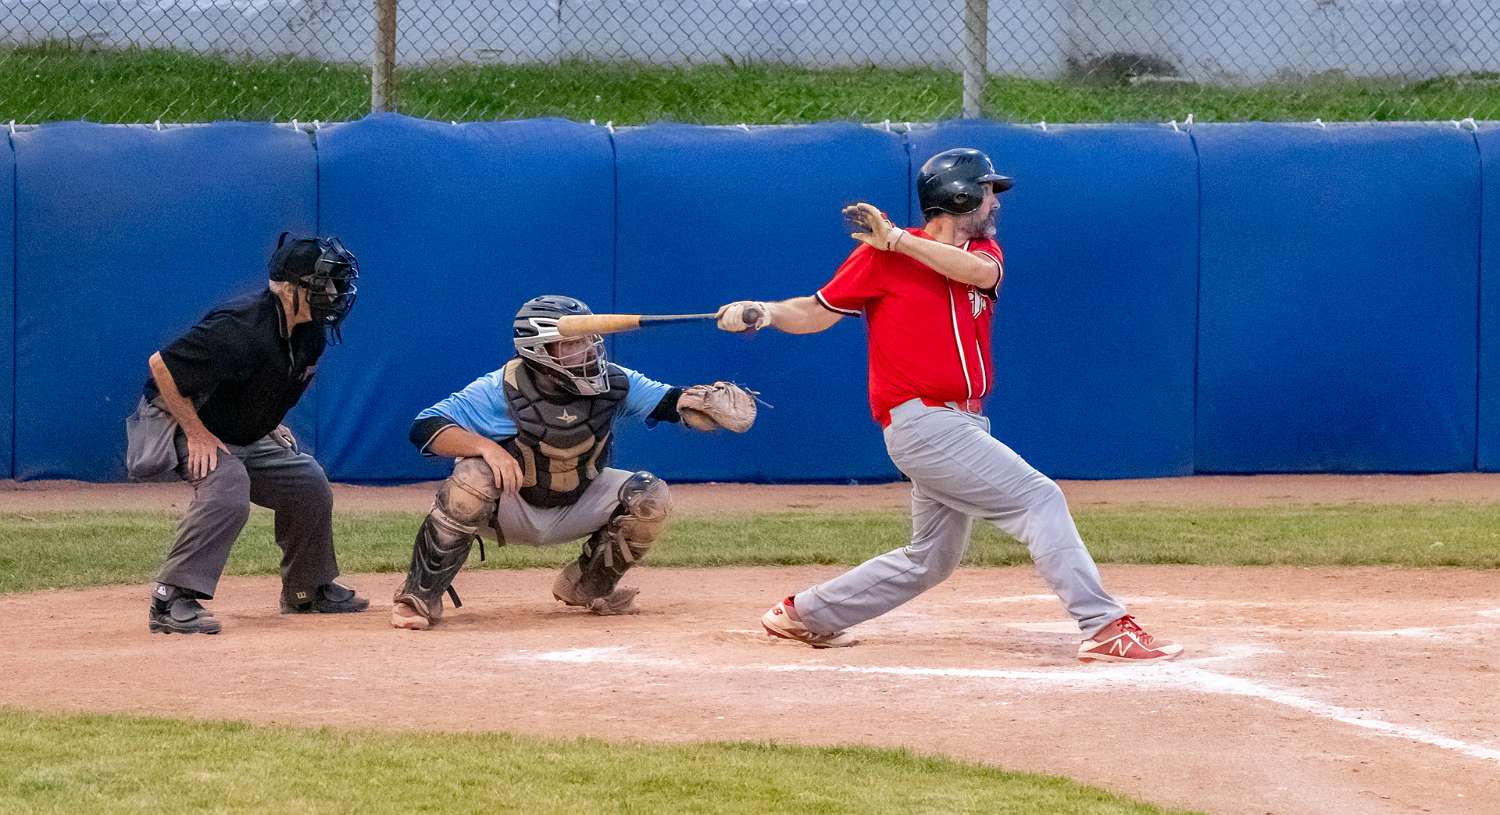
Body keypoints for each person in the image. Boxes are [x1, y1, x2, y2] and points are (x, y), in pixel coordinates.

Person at [716, 148, 1182, 663]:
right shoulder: (879, 257)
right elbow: (815, 311)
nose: (993, 202)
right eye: (985, 192)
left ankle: (804, 616)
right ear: (957, 196)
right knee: (1039, 498)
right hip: (923, 421)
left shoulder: (980, 252)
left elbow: (975, 274)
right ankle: (1104, 626)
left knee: (931, 558)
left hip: (964, 421)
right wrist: (764, 311)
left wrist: (898, 240)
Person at [390, 294, 755, 630]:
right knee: (472, 477)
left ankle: (587, 586)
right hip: (510, 504)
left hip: (578, 498)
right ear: (538, 349)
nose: (586, 350)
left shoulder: (614, 381)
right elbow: (425, 427)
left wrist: (701, 405)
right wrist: (486, 447)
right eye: (571, 344)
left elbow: (671, 402)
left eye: (587, 341)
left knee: (650, 495)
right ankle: (419, 596)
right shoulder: (500, 387)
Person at [134, 233, 368, 635]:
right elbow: (161, 366)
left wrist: (267, 419)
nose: (333, 293)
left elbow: (275, 379)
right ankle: (170, 599)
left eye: (335, 283)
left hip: (237, 430)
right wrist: (196, 432)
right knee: (228, 486)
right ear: (290, 288)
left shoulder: (310, 333)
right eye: (323, 283)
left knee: (308, 483)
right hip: (178, 418)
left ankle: (307, 589)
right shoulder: (240, 327)